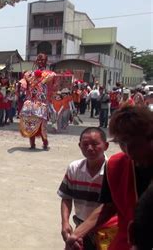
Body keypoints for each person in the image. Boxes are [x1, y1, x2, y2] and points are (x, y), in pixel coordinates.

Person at [65, 106, 153, 250]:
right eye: (122, 143)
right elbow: (108, 206)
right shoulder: (115, 166)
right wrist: (78, 233)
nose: (128, 150)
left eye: (134, 143)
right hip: (126, 242)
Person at [58, 127, 110, 250]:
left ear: (106, 146)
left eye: (95, 144)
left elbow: (109, 206)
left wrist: (78, 233)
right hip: (80, 227)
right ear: (79, 146)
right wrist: (65, 222)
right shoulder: (74, 168)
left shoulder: (112, 170)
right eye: (85, 144)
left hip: (106, 229)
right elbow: (66, 197)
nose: (90, 148)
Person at [18, 53, 56, 150]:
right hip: (30, 102)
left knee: (42, 124)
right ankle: (32, 144)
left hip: (41, 103)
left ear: (46, 61)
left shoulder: (49, 74)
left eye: (42, 59)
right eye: (38, 59)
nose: (40, 61)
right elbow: (24, 82)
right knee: (30, 123)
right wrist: (22, 84)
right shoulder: (29, 74)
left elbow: (53, 82)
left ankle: (45, 142)